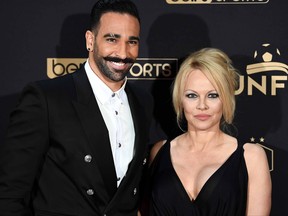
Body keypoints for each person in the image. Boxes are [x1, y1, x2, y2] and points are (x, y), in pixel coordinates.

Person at [0, 0, 165, 215]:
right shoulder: (46, 99)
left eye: (131, 42)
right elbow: (10, 194)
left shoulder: (143, 101)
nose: (123, 53)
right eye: (112, 39)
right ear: (90, 40)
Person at [145, 48, 271, 215]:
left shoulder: (251, 157)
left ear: (225, 98)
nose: (202, 105)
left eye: (212, 95)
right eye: (192, 95)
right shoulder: (159, 151)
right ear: (180, 100)